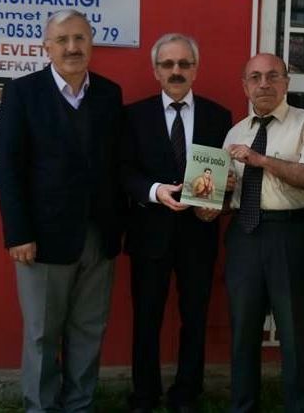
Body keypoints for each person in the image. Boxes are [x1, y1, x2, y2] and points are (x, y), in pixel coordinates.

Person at [0, 9, 125, 413]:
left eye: (80, 38)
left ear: (91, 44)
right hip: (42, 240)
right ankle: (41, 407)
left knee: (89, 330)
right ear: (47, 46)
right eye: (63, 39)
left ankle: (79, 406)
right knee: (42, 335)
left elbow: (117, 163)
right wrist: (18, 233)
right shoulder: (22, 93)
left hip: (98, 237)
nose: (72, 47)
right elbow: (8, 166)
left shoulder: (109, 93)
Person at [121, 33, 232, 413]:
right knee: (146, 319)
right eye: (167, 64)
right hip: (149, 232)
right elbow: (124, 171)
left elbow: (222, 173)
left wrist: (216, 204)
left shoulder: (219, 117)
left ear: (195, 69)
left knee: (195, 318)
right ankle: (144, 395)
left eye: (184, 63)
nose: (176, 71)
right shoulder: (134, 116)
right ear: (156, 71)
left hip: (199, 234)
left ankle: (186, 394)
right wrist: (154, 191)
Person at [223, 53, 304, 413]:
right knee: (243, 332)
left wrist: (261, 160)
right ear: (245, 86)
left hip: (290, 234)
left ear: (286, 83)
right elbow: (226, 194)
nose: (263, 84)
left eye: (272, 76)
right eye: (255, 77)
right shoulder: (235, 132)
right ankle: (243, 407)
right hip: (244, 234)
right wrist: (216, 198)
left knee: (295, 334)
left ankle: (297, 407)